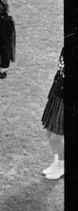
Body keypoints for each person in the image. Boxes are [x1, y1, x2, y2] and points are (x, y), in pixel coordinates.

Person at [41, 48, 64, 180]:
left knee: (56, 137)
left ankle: (62, 165)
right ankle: (58, 161)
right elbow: (59, 73)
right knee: (49, 132)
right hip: (58, 94)